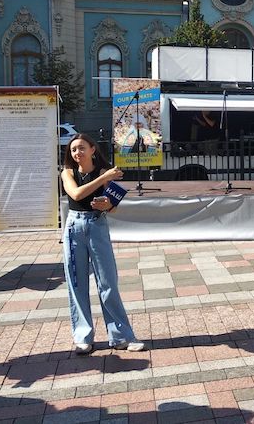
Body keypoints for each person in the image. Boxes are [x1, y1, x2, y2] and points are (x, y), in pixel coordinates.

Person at [61, 134, 145, 355]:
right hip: (74, 227)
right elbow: (77, 193)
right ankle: (83, 337)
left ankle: (121, 336)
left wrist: (107, 204)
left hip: (97, 225)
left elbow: (113, 206)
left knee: (108, 282)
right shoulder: (68, 173)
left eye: (81, 148)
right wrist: (103, 178)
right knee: (77, 283)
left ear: (92, 150)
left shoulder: (103, 173)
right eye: (73, 150)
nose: (77, 153)